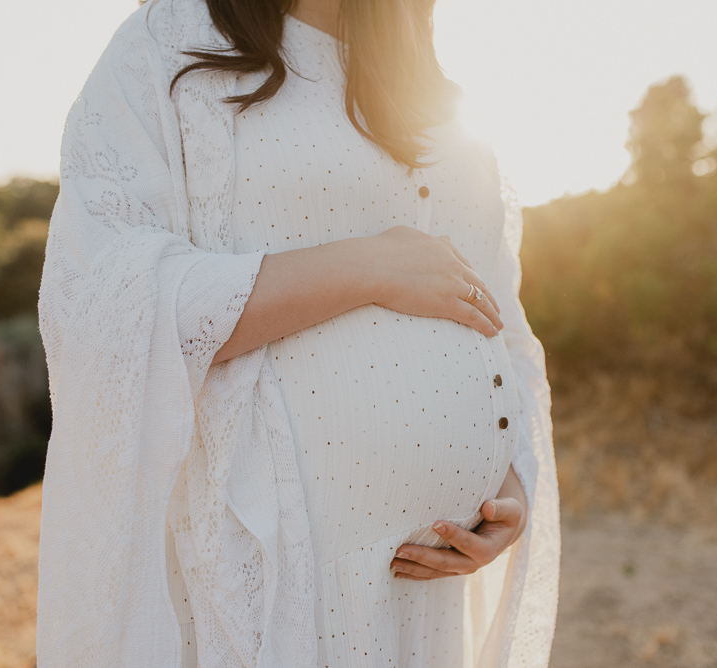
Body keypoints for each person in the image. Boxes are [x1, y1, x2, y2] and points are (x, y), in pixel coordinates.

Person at [35, 0, 559, 665]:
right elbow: (98, 295)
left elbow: (499, 319)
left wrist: (509, 480)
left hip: (427, 593)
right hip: (275, 575)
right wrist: (364, 266)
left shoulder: (425, 80)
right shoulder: (172, 42)